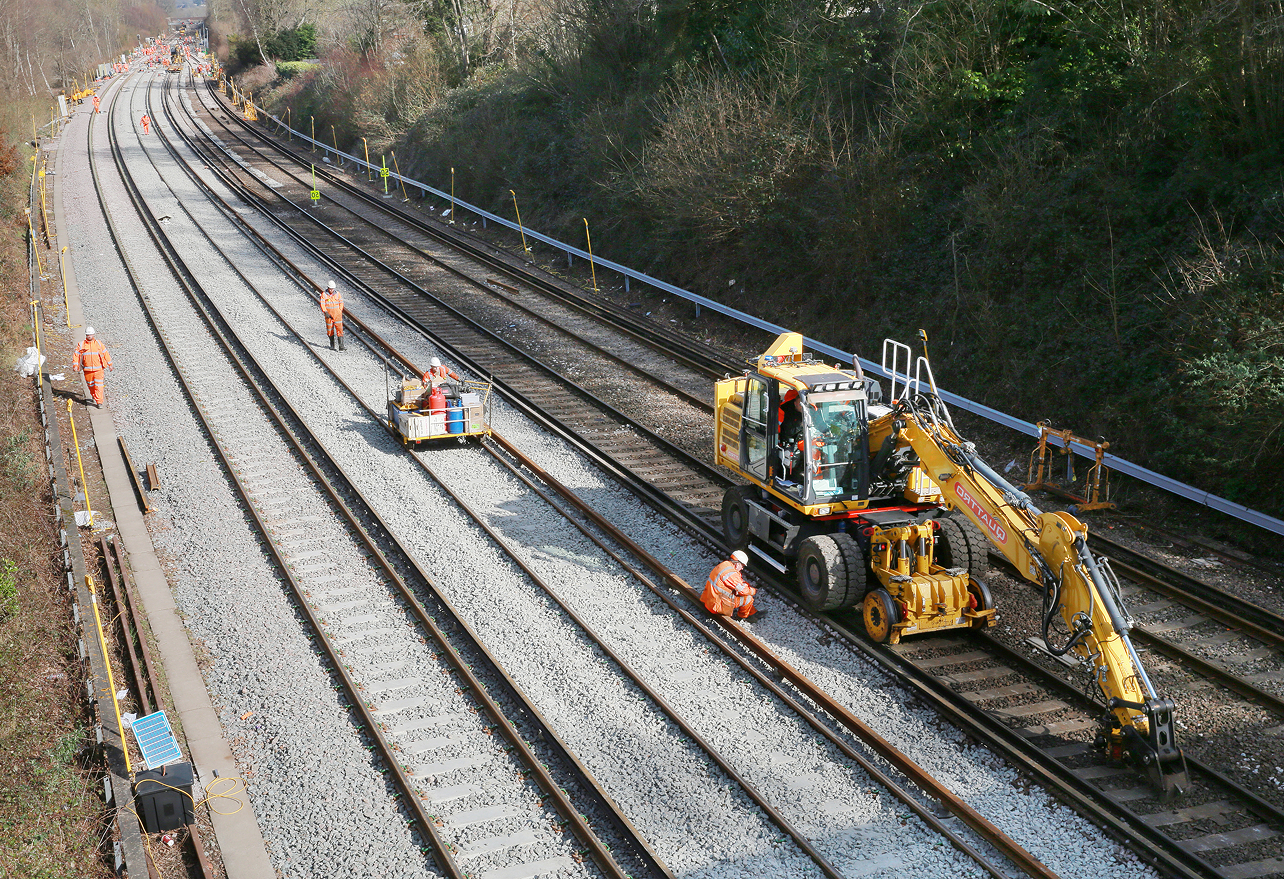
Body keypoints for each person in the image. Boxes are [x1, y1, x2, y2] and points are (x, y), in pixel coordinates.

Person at [702, 550, 764, 621]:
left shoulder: (724, 565)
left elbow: (735, 582)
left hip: (709, 600)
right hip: (716, 606)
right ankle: (742, 618)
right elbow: (743, 591)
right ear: (737, 563)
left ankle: (753, 612)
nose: (742, 568)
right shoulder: (731, 573)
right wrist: (753, 591)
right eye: (742, 565)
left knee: (740, 594)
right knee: (748, 598)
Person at [73, 327, 113, 408]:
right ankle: (95, 396)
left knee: (99, 386)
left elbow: (105, 353)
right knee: (91, 386)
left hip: (98, 369)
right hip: (87, 370)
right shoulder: (81, 345)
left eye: (90, 334)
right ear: (86, 335)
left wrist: (110, 364)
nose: (89, 336)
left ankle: (99, 402)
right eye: (88, 334)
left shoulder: (98, 344)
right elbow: (76, 355)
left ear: (93, 334)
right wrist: (75, 365)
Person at [320, 280, 345, 350]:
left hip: (337, 315)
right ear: (328, 288)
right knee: (330, 330)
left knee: (339, 329)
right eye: (330, 288)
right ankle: (332, 345)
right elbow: (322, 304)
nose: (331, 290)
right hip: (329, 316)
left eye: (333, 288)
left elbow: (341, 302)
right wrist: (325, 312)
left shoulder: (337, 294)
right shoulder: (324, 294)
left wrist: (340, 310)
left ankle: (341, 346)